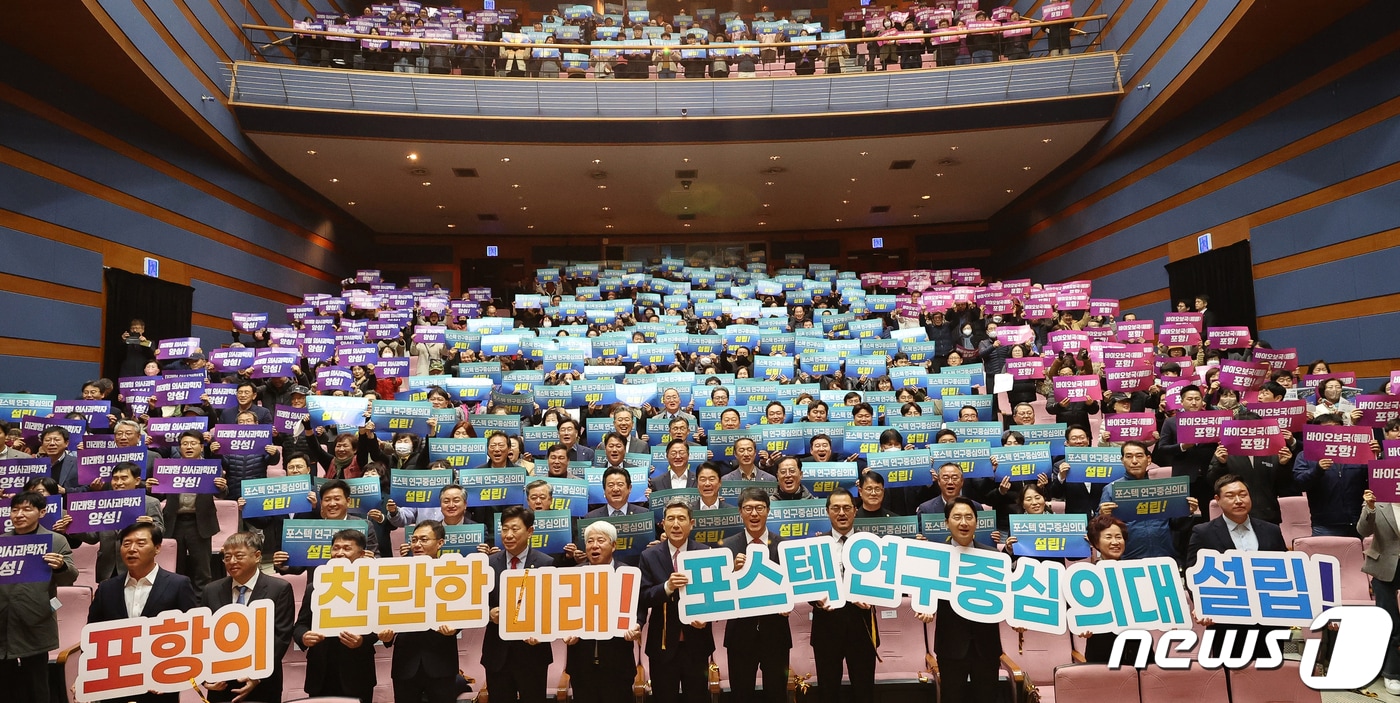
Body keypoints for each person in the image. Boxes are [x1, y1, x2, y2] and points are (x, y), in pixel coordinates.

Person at [87, 522, 199, 703]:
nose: (131, 549)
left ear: (157, 548)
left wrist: (172, 676)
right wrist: (87, 677)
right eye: (126, 544)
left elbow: (192, 634)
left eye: (140, 543)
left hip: (160, 682)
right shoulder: (107, 588)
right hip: (116, 682)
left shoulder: (179, 584)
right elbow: (92, 637)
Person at [1186, 474, 1287, 659]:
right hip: (1226, 620)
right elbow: (1193, 573)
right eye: (1231, 496)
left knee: (1269, 679)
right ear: (1217, 499)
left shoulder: (1271, 530)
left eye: (1243, 494)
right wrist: (1202, 605)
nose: (1239, 500)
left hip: (1268, 620)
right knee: (1229, 679)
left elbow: (1285, 570)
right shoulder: (1203, 533)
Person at [917, 497, 1001, 701]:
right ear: (946, 522)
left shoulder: (994, 557)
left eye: (968, 517)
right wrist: (926, 608)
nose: (963, 522)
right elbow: (926, 595)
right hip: (951, 646)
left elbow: (1006, 598)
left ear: (976, 522)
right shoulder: (936, 557)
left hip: (987, 646)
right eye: (957, 517)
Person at [0, 491, 78, 702]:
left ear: (42, 512)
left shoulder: (56, 541)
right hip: (3, 621)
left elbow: (69, 578)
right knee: (4, 685)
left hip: (36, 619)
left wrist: (61, 566)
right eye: (15, 510)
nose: (19, 514)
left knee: (36, 684)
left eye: (27, 509)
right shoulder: (1, 541)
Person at [201, 532, 296, 702]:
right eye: (227, 557)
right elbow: (202, 636)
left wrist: (256, 675)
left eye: (238, 556)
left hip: (263, 681)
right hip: (221, 682)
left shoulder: (279, 589)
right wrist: (205, 677)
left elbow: (280, 637)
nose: (231, 562)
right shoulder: (211, 590)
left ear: (257, 556)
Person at [639, 500, 714, 703]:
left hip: (697, 643)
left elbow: (715, 597)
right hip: (662, 645)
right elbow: (643, 597)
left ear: (692, 523)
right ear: (663, 524)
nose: (676, 524)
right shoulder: (649, 556)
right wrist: (667, 588)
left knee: (697, 696)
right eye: (670, 519)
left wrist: (707, 618)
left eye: (681, 519)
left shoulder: (705, 553)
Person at [721, 487, 790, 703]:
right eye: (748, 508)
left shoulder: (784, 546)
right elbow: (720, 593)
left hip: (776, 633)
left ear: (768, 510)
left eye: (759, 508)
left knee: (777, 694)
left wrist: (788, 603)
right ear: (740, 512)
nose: (754, 514)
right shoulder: (726, 547)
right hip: (740, 635)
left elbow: (794, 586)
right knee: (741, 694)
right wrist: (730, 572)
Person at [294, 528, 378, 703]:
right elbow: (300, 625)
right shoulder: (315, 586)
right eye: (336, 548)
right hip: (320, 672)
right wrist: (304, 636)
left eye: (347, 548)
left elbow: (381, 626)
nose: (339, 553)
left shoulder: (373, 585)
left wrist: (363, 640)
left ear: (361, 554)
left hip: (357, 671)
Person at [382, 520, 461, 703]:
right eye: (414, 540)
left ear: (440, 543)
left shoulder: (453, 573)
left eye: (424, 540)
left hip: (441, 660)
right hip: (405, 662)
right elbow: (386, 610)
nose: (417, 545)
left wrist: (456, 627)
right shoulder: (396, 573)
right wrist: (386, 637)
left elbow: (463, 610)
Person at [564, 521, 642, 703]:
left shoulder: (627, 574)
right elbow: (564, 613)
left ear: (614, 545)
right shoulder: (573, 575)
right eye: (590, 541)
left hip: (618, 663)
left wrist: (637, 625)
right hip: (581, 663)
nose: (594, 546)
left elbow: (639, 609)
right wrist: (566, 630)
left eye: (601, 540)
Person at [811, 487, 877, 702]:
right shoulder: (816, 547)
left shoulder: (872, 545)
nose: (842, 513)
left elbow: (882, 584)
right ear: (827, 511)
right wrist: (817, 601)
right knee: (828, 691)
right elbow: (808, 588)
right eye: (836, 508)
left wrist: (871, 596)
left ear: (855, 511)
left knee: (864, 690)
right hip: (826, 628)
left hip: (862, 627)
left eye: (847, 508)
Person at [483, 505, 555, 702]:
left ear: (530, 531)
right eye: (505, 529)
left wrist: (541, 632)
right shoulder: (488, 564)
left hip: (533, 653)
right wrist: (489, 613)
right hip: (497, 654)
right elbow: (476, 603)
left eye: (515, 529)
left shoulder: (545, 563)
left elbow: (552, 607)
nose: (508, 534)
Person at [1099, 441, 1201, 562]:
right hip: (1128, 558)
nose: (1134, 461)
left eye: (1139, 456)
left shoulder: (1164, 488)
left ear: (1148, 459)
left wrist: (1186, 511)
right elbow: (1100, 529)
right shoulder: (1111, 489)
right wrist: (1102, 515)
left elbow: (1176, 525)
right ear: (1122, 460)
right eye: (1129, 456)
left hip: (1165, 555)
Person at [154, 430, 229, 591]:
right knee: (175, 568)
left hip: (200, 523)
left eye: (193, 443)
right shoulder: (169, 468)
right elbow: (159, 493)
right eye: (185, 444)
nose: (189, 447)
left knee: (202, 570)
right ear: (179, 448)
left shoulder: (211, 467)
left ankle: (202, 606)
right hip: (174, 522)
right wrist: (151, 485)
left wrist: (222, 487)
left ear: (201, 447)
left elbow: (221, 493)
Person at [71, 460, 164, 581]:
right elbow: (93, 537)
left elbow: (160, 531)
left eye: (124, 478)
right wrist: (73, 528)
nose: (119, 482)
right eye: (115, 478)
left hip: (137, 566)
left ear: (137, 480)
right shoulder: (103, 503)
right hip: (107, 568)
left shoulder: (150, 503)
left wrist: (151, 527)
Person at [1203, 411, 1294, 524]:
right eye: (1244, 429)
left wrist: (1283, 465)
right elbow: (1212, 482)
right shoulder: (1225, 452)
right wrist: (1221, 464)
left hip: (1268, 515)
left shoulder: (1274, 451)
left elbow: (1286, 486)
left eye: (1254, 428)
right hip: (1235, 515)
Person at [1293, 414, 1374, 537]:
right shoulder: (1305, 455)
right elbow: (1299, 484)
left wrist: (1375, 457)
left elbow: (1374, 481)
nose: (1334, 432)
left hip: (1358, 522)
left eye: (1337, 427)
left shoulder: (1358, 452)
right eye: (1327, 429)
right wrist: (1317, 469)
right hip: (1325, 524)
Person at [1358, 486, 1400, 695]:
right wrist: (1370, 507)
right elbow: (1363, 531)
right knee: (1390, 622)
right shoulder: (1378, 502)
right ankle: (1392, 674)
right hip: (1383, 569)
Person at [915, 463, 984, 515]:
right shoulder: (926, 509)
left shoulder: (976, 507)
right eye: (945, 478)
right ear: (939, 481)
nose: (950, 482)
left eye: (954, 478)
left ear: (962, 481)